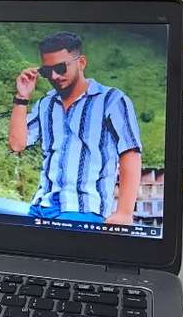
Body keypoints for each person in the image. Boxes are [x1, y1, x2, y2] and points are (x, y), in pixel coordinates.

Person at [8, 31, 142, 225]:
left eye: (60, 68)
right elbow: (17, 144)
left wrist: (124, 212)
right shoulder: (46, 104)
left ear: (81, 62)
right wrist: (22, 97)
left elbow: (130, 153)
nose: (54, 76)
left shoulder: (112, 101)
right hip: (40, 207)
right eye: (47, 71)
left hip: (84, 210)